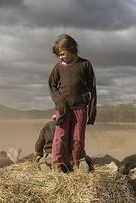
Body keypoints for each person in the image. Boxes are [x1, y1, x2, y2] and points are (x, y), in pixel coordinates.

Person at [48, 33, 96, 173]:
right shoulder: (58, 67)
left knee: (77, 138)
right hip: (63, 109)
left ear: (72, 49)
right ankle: (57, 165)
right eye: (58, 55)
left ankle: (75, 163)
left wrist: (92, 111)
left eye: (62, 54)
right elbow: (52, 85)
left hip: (80, 108)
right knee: (60, 136)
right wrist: (59, 102)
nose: (61, 57)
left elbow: (92, 88)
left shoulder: (85, 64)